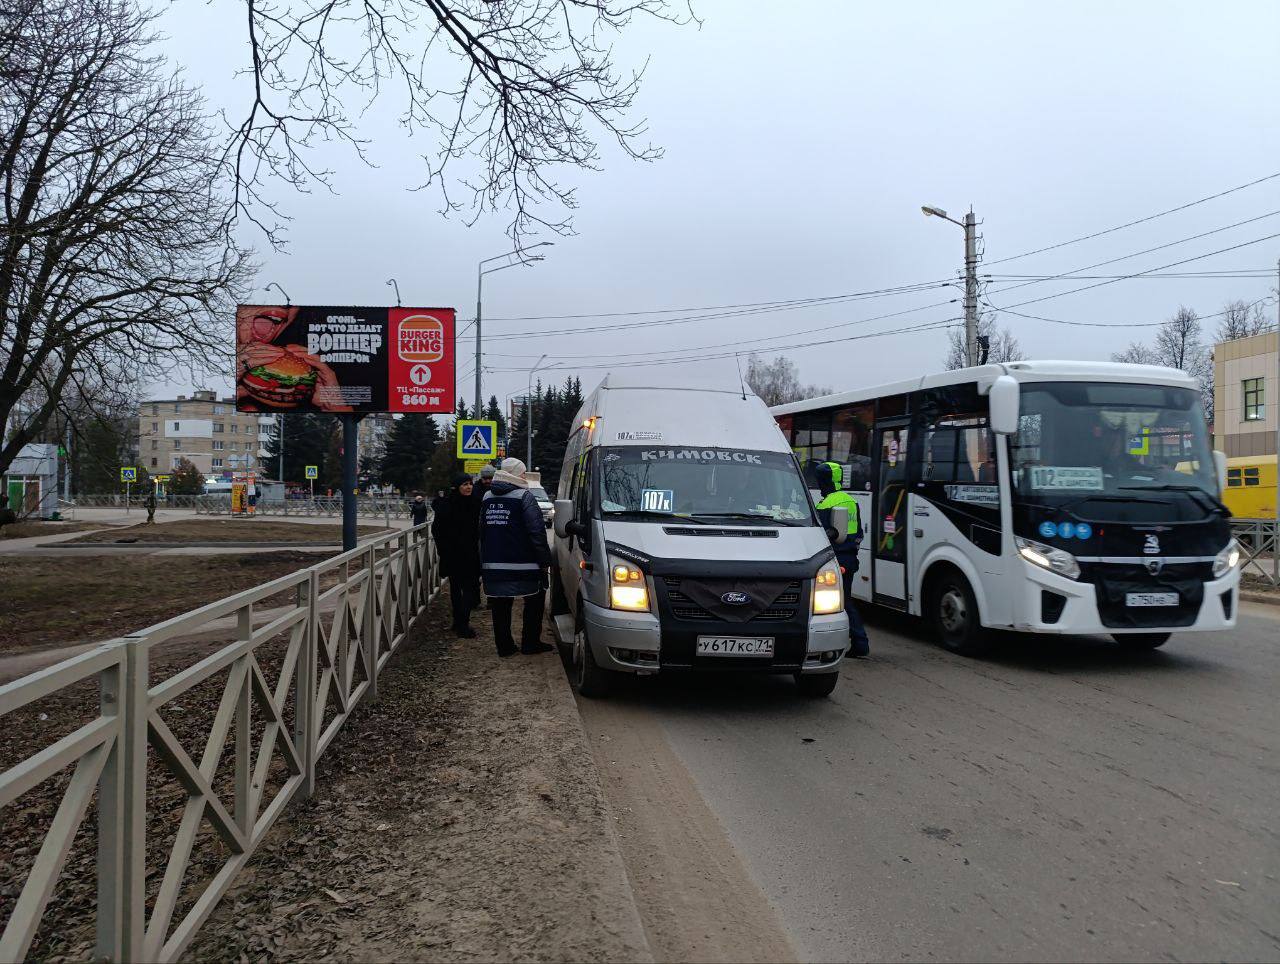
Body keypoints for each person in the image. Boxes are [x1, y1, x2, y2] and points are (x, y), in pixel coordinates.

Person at [479, 458, 553, 657]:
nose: (523, 476)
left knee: (500, 605)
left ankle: (504, 647)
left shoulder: (487, 497)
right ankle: (530, 643)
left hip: (493, 563)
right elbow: (536, 531)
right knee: (535, 600)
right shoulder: (524, 496)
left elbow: (482, 532)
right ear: (513, 474)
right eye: (522, 473)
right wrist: (545, 560)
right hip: (525, 564)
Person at [814, 461, 870, 658]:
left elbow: (821, 535)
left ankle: (858, 643)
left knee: (838, 604)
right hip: (850, 558)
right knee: (844, 601)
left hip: (835, 560)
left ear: (827, 481)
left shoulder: (827, 504)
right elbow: (859, 532)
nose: (819, 485)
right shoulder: (850, 501)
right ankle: (857, 643)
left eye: (820, 481)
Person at [432, 474, 482, 637]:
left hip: (470, 553)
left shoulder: (475, 504)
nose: (469, 487)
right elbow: (437, 529)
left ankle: (462, 621)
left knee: (469, 589)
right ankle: (461, 624)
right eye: (465, 484)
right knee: (457, 589)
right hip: (452, 554)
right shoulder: (447, 506)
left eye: (470, 484)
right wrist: (444, 549)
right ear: (456, 487)